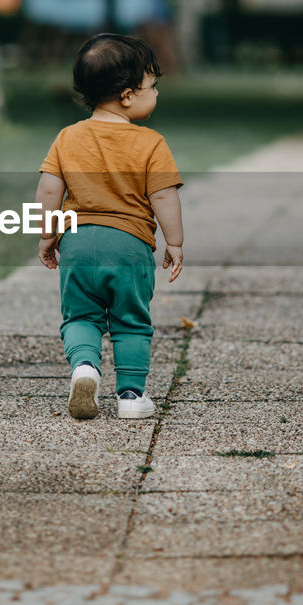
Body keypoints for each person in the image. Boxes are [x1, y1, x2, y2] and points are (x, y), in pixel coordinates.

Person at [34, 33, 184, 420]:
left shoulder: (67, 137)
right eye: (153, 86)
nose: (157, 93)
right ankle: (132, 397)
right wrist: (175, 242)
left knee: (81, 317)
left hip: (78, 245)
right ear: (128, 95)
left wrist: (48, 235)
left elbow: (50, 188)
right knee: (130, 320)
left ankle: (85, 368)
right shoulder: (151, 143)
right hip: (129, 246)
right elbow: (164, 196)